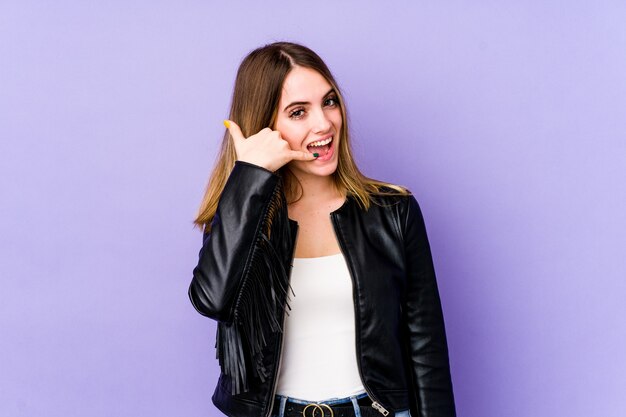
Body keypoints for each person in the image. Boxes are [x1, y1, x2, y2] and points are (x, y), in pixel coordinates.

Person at [188, 41, 456, 417]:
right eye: (298, 112)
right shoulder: (240, 220)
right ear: (265, 126)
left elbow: (426, 349)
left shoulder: (393, 211)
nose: (324, 123)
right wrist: (250, 177)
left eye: (329, 102)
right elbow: (212, 300)